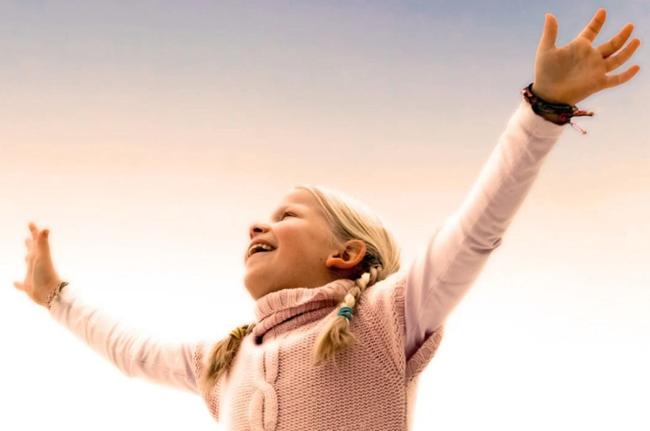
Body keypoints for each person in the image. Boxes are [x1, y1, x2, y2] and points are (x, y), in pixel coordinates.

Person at [13, 8, 640, 430]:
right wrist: (55, 296)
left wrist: (542, 111)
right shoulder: (225, 362)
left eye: (286, 215)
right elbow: (131, 351)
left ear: (346, 254)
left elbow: (476, 232)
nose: (256, 227)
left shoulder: (389, 317)